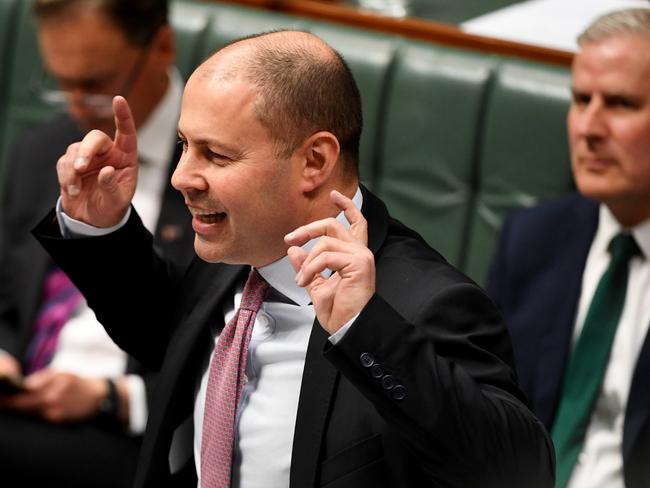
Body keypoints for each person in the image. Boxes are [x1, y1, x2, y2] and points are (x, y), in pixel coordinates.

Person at [34, 30, 554, 487]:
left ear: (314, 161)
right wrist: (98, 228)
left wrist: (363, 329)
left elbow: (520, 472)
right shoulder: (238, 253)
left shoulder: (427, 302)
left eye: (216, 155)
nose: (180, 177)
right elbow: (167, 335)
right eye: (183, 145)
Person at [0, 0, 193, 486]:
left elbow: (235, 349)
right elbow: (5, 292)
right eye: (61, 83)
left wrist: (114, 396)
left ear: (161, 47)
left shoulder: (217, 169)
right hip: (23, 401)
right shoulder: (41, 150)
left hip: (133, 436)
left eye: (96, 84)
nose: (75, 106)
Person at [487, 8, 650, 488]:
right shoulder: (532, 240)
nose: (589, 128)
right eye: (581, 100)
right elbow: (483, 410)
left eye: (620, 103)